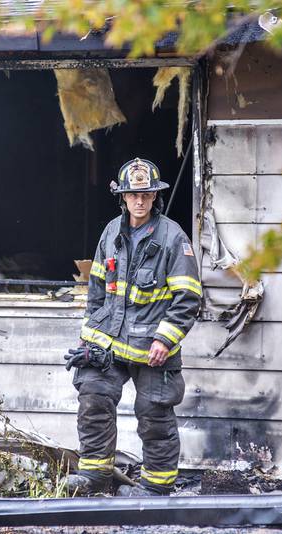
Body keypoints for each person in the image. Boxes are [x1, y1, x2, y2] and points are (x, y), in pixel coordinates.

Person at [64, 157, 201, 496]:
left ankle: (155, 488)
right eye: (132, 195)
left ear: (155, 197)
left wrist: (165, 340)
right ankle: (94, 476)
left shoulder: (173, 238)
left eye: (146, 195)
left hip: (152, 347)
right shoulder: (111, 232)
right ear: (122, 197)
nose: (139, 201)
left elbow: (189, 297)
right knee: (93, 397)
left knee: (153, 415)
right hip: (110, 341)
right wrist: (89, 341)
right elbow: (97, 290)